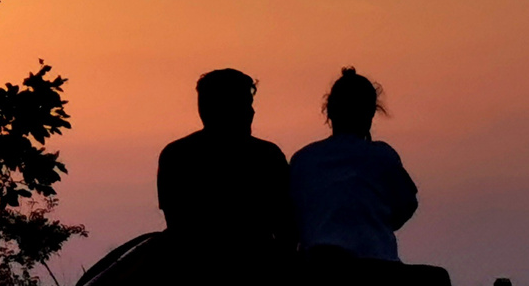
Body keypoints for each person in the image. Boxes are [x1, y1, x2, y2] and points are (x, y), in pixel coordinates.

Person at [157, 68, 298, 269]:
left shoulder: (176, 155)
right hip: (256, 270)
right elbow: (286, 226)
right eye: (245, 104)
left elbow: (176, 225)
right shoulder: (266, 155)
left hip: (193, 272)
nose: (252, 112)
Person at [289, 68, 417, 262]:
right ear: (371, 112)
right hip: (377, 266)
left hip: (318, 268)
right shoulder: (382, 156)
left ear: (329, 111)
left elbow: (293, 218)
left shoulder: (303, 160)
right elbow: (406, 205)